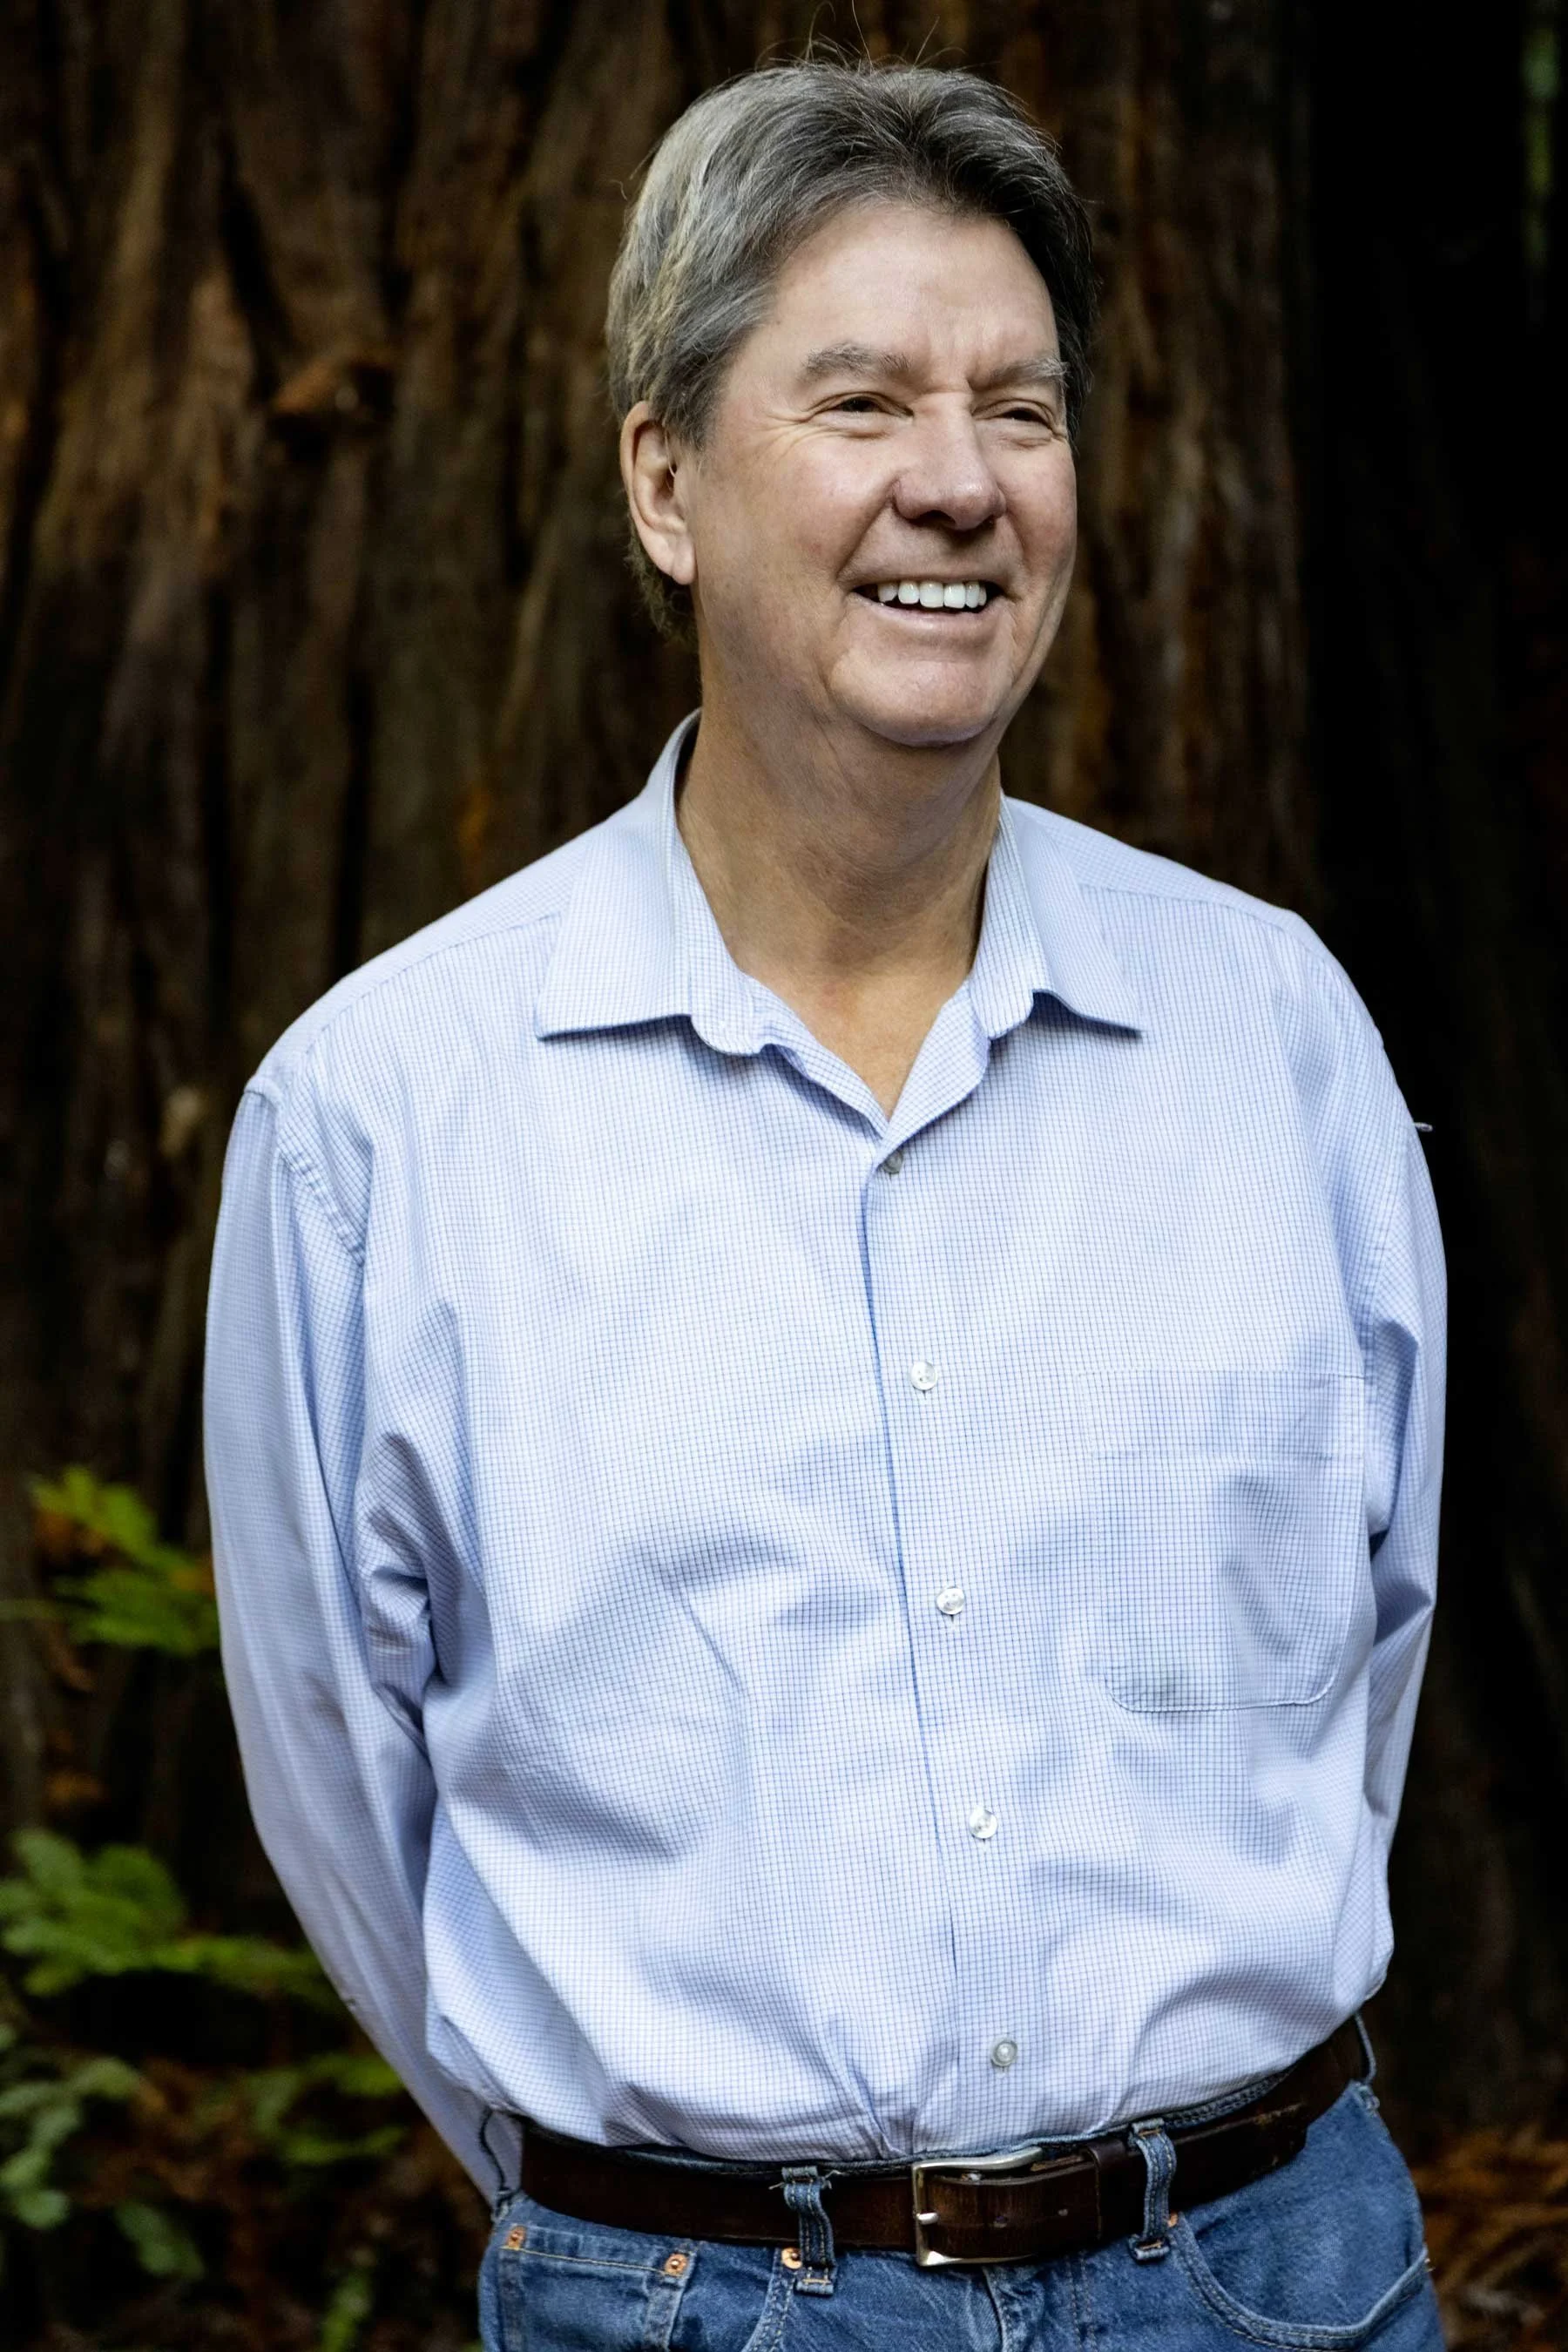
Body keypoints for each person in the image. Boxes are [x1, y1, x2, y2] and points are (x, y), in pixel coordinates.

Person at [204, 57, 1446, 2352]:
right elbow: (336, 1771)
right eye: (862, 400)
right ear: (664, 481)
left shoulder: (1272, 1034)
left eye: (1024, 408)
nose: (960, 484)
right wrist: (656, 2203)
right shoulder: (390, 1111)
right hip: (692, 2301)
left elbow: (1368, 1659)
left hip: (1278, 2276)